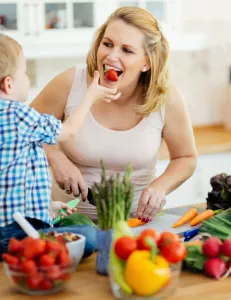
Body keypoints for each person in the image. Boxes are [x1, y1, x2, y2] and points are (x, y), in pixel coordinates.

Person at [31, 6, 197, 224]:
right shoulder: (70, 84)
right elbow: (22, 128)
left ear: (147, 62)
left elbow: (186, 158)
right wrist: (56, 157)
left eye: (127, 50)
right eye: (107, 44)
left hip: (134, 227)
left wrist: (159, 187)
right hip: (66, 224)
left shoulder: (167, 98)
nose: (111, 56)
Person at [0, 34, 120, 258]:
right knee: (88, 235)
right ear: (8, 84)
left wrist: (47, 208)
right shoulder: (18, 114)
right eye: (25, 73)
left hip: (8, 226)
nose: (27, 79)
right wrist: (91, 96)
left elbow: (11, 184)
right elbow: (69, 130)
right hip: (22, 232)